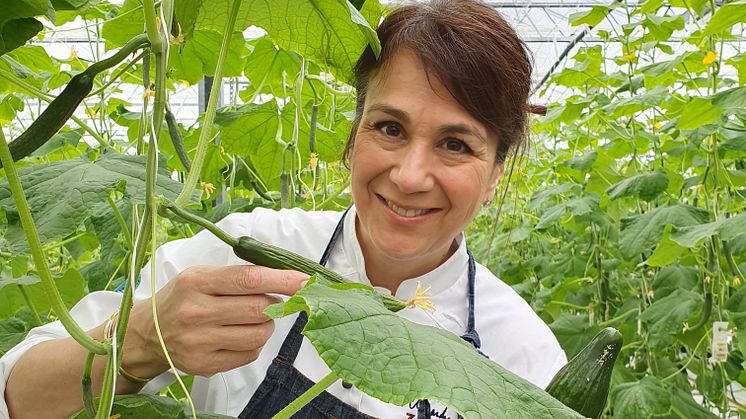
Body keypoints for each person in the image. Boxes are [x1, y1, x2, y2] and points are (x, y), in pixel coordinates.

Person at [1, 0, 566, 417]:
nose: (411, 175)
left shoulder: (522, 354)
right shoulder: (236, 253)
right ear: (352, 138)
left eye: (456, 144)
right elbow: (13, 394)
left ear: (495, 174)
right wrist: (142, 343)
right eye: (389, 128)